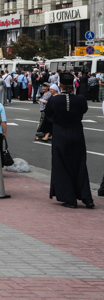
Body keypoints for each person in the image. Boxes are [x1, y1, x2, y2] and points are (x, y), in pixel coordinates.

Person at [45, 73, 95, 209]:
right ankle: (86, 197)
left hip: (60, 132)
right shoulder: (80, 99)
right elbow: (83, 110)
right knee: (79, 164)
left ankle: (69, 197)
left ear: (60, 85)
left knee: (62, 164)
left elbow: (48, 114)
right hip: (77, 131)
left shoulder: (54, 100)